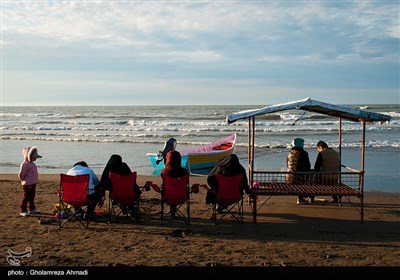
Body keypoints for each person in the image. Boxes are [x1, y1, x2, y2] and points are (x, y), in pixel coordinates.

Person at [161, 150, 188, 217]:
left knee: (171, 189)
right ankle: (173, 212)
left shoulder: (164, 172)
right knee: (176, 189)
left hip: (167, 196)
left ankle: (172, 212)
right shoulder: (184, 172)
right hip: (182, 196)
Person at [286, 138, 312, 205]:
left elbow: (287, 164)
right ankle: (301, 198)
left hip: (289, 176)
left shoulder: (290, 153)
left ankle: (301, 197)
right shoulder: (304, 153)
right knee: (309, 174)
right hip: (300, 177)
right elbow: (308, 165)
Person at [18, 146, 42, 217]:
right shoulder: (25, 164)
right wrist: (22, 180)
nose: (35, 159)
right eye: (34, 157)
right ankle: (23, 210)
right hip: (27, 183)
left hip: (33, 183)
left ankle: (31, 208)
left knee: (32, 196)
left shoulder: (32, 164)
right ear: (28, 156)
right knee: (26, 196)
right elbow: (21, 174)